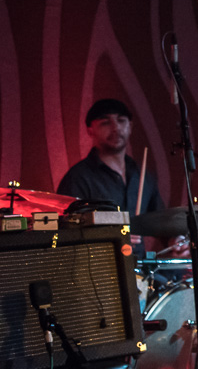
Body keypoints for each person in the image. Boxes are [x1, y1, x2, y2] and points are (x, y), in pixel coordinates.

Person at [57, 98, 174, 256]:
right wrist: (111, 236)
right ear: (90, 130)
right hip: (101, 270)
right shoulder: (78, 177)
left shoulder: (142, 175)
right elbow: (65, 231)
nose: (115, 128)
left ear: (130, 126)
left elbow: (161, 222)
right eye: (105, 122)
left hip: (140, 269)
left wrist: (174, 240)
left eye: (121, 120)